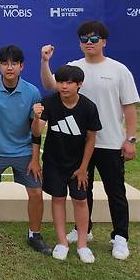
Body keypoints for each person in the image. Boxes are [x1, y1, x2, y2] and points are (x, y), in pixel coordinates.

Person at [40, 20, 140, 260]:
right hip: (78, 144)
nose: (89, 43)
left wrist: (131, 139)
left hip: (110, 142)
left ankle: (120, 237)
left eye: (94, 39)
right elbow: (50, 85)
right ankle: (85, 231)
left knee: (114, 190)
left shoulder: (118, 70)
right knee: (83, 191)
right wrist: (45, 61)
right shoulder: (74, 68)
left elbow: (129, 107)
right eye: (84, 39)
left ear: (104, 41)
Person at [0, 45, 51, 255]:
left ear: (22, 66)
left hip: (24, 150)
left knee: (35, 192)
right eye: (5, 63)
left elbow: (36, 131)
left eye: (14, 63)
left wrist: (35, 158)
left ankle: (35, 234)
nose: (9, 67)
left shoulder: (32, 91)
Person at [32, 65, 101, 263]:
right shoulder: (49, 103)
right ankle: (62, 242)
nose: (64, 86)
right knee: (58, 199)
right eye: (61, 82)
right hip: (54, 162)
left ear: (79, 84)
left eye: (69, 82)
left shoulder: (88, 107)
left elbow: (91, 139)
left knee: (81, 200)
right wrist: (37, 118)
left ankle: (82, 244)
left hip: (79, 165)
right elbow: (37, 133)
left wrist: (83, 168)